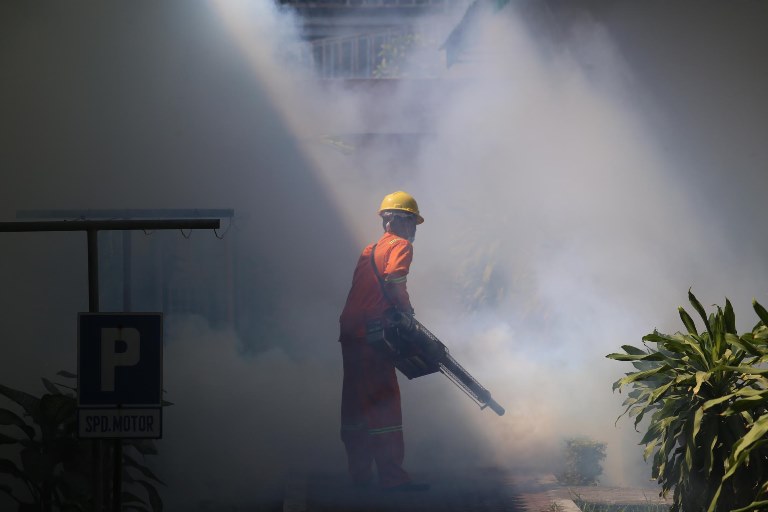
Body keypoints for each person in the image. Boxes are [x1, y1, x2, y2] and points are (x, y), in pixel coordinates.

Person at [338, 191, 429, 492]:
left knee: (354, 406)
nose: (414, 230)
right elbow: (393, 281)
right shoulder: (400, 246)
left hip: (350, 331)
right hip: (372, 335)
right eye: (413, 222)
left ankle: (359, 477)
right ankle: (393, 479)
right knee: (383, 403)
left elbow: (360, 291)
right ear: (402, 222)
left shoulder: (369, 249)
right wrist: (406, 312)